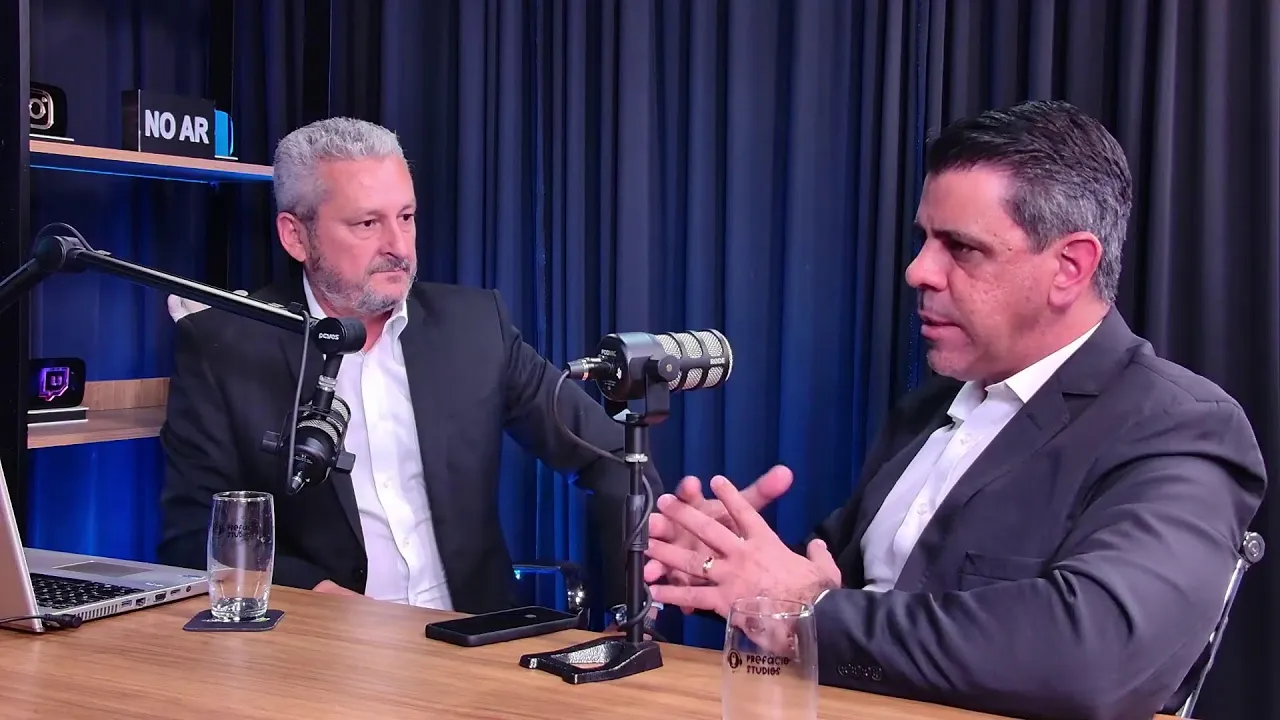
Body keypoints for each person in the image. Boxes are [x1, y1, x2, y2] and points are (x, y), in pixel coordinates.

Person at [642, 100, 1266, 720]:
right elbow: (834, 583)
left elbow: (1093, 656)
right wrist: (724, 564)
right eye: (924, 240)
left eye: (961, 248)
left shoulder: (1180, 427)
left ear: (1070, 267)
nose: (918, 271)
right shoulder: (928, 408)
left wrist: (810, 612)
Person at [158, 117, 659, 616]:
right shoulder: (226, 346)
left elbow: (615, 458)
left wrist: (628, 610)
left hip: (473, 639)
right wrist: (317, 599)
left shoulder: (475, 328)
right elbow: (193, 534)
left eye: (406, 216)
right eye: (367, 224)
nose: (398, 247)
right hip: (322, 646)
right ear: (296, 236)